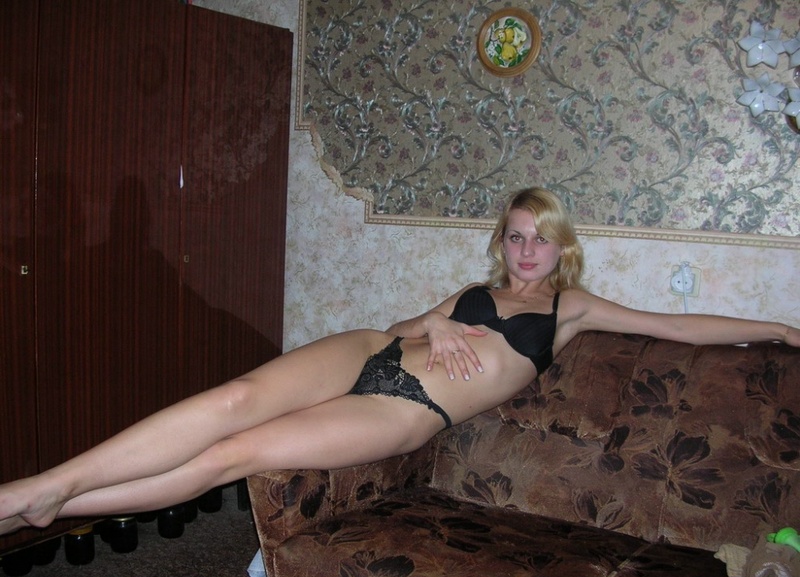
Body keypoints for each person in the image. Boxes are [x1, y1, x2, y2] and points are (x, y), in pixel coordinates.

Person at [1, 187, 798, 537]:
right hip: (370, 352)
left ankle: (56, 506)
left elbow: (677, 325)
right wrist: (437, 324)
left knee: (230, 456)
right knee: (234, 396)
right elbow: (397, 326)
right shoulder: (473, 290)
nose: (526, 250)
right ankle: (46, 486)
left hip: (405, 411)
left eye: (540, 238)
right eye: (515, 235)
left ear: (562, 247)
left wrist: (780, 329)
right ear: (502, 241)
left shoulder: (573, 309)